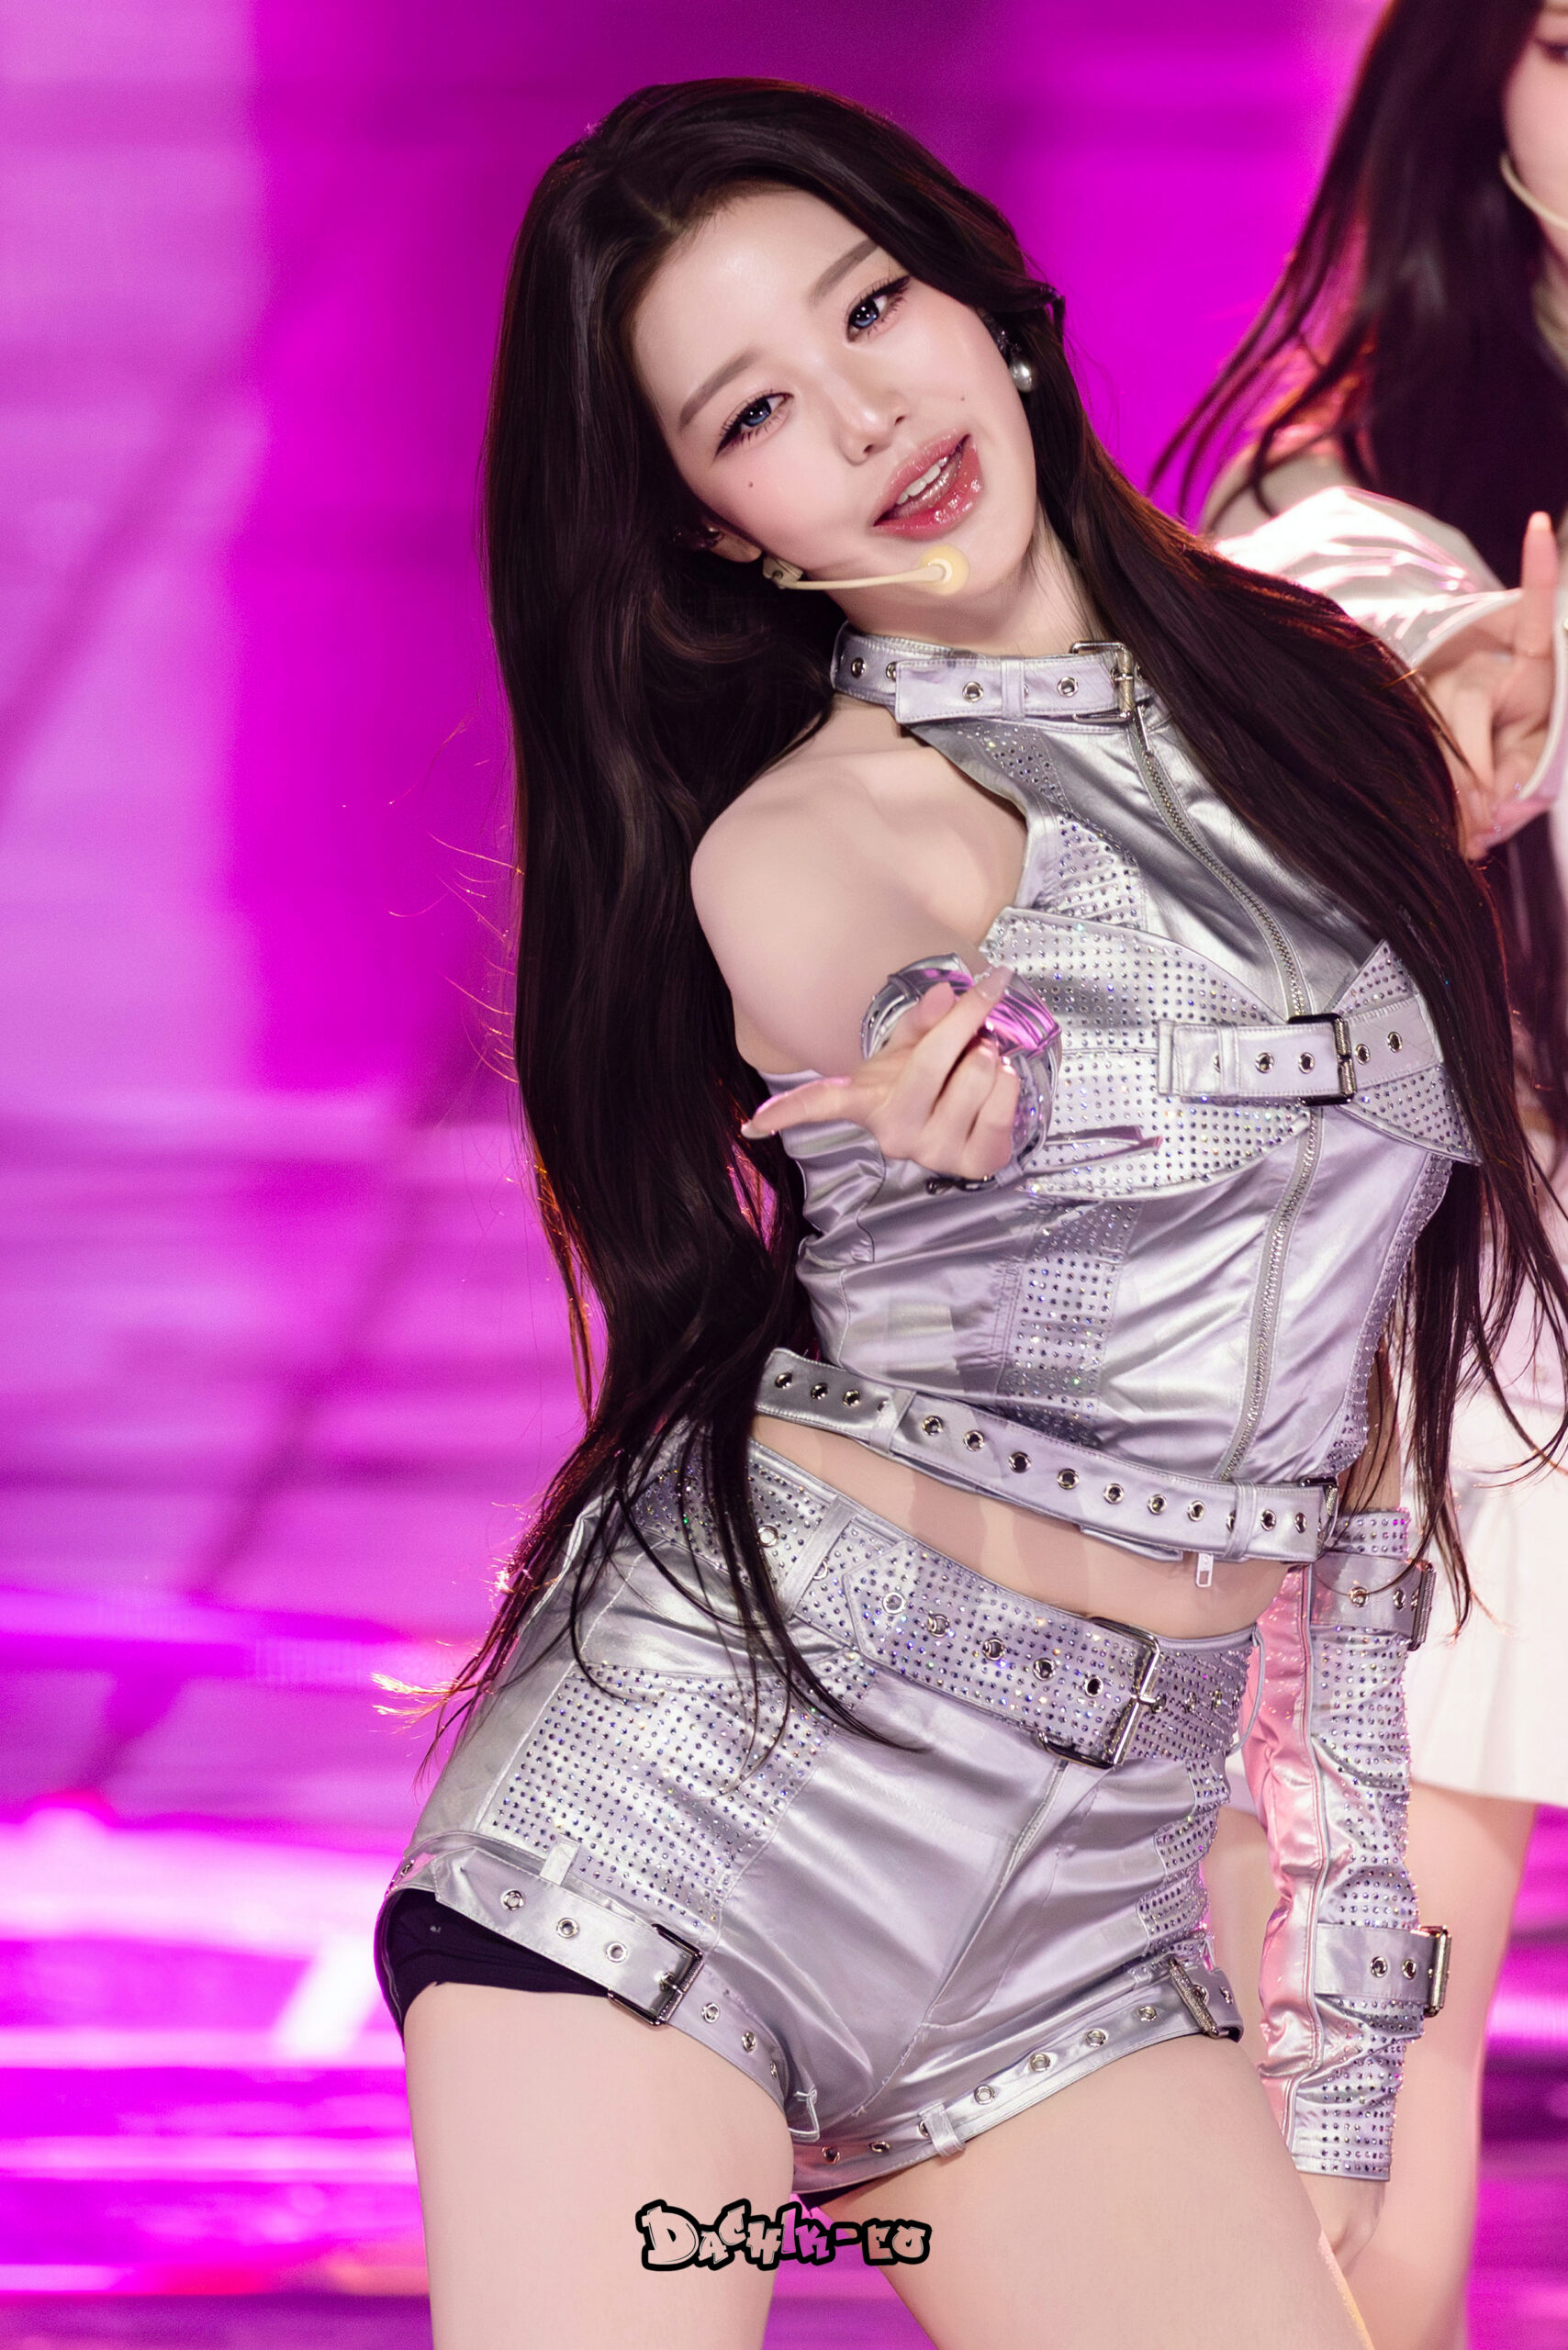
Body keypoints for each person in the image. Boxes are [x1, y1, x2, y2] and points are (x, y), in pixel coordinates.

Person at [372, 79, 1568, 2350]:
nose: (864, 417)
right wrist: (920, 1036)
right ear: (716, 524)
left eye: (869, 310)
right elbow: (843, 945)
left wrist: (1451, 766)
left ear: (983, 303)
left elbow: (1352, 1440)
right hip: (691, 1827)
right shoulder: (816, 835)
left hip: (1084, 1915)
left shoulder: (1309, 708)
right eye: (753, 413)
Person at [1161, 7, 1568, 2344]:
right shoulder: (1367, 481)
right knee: (1342, 2138)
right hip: (1468, 1333)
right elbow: (1351, 613)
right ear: (1474, 80)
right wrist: (1437, 711)